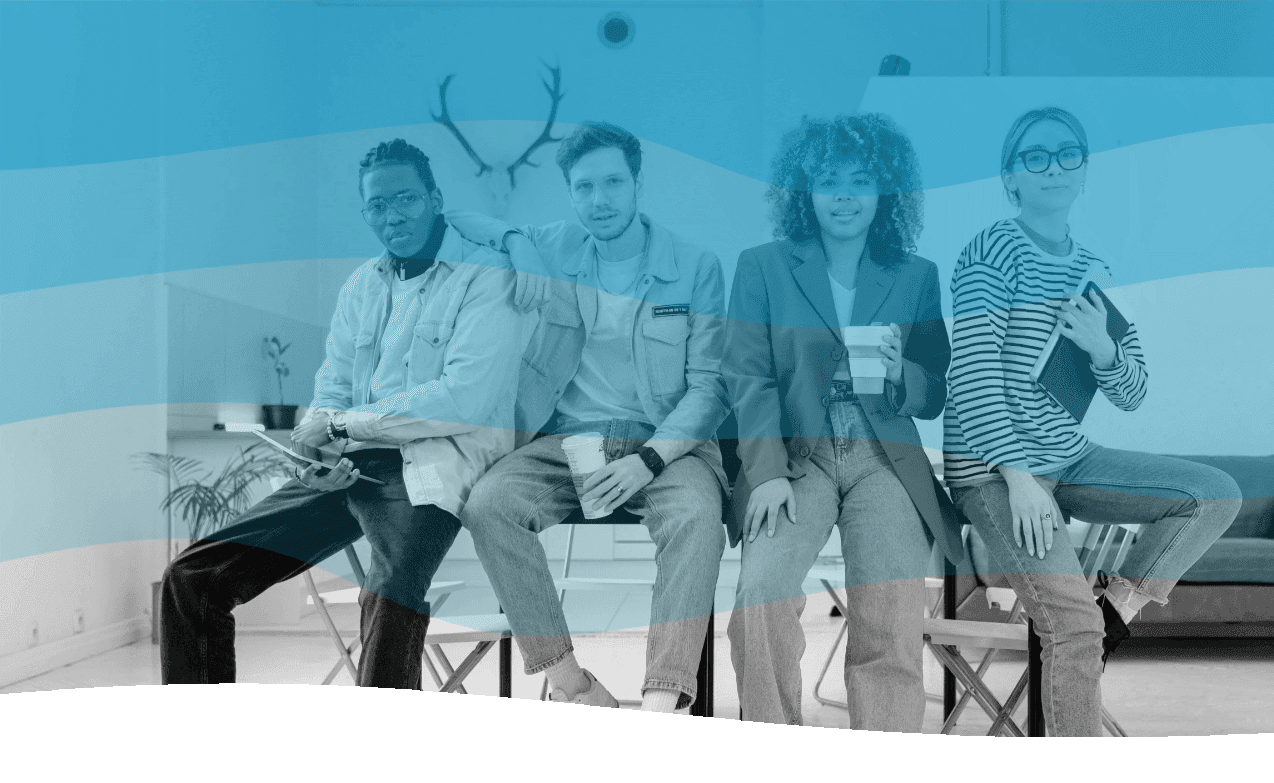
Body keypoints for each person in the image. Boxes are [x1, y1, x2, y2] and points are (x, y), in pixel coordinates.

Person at [160, 139, 534, 688]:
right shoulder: (361, 286)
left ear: (435, 199)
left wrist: (340, 425)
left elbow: (463, 399)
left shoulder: (486, 277)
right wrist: (314, 442)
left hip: (428, 469)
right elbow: (333, 385)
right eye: (377, 206)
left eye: (405, 199)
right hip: (345, 468)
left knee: (389, 592)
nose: (391, 215)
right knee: (192, 577)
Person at [943, 107, 1242, 735]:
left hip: (1070, 455)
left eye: (1067, 154)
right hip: (994, 470)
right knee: (1070, 625)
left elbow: (1132, 391)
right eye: (1034, 157)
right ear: (1010, 179)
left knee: (1214, 493)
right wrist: (1018, 474)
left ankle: (1119, 606)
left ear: (1084, 173)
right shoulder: (991, 252)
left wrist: (1102, 348)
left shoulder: (1095, 269)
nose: (1053, 167)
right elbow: (969, 380)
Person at [452, 122, 728, 713]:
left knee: (698, 516)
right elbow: (460, 220)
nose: (599, 201)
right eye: (584, 187)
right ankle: (571, 683)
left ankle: (662, 698)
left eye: (612, 183)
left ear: (636, 185)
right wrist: (518, 241)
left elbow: (708, 390)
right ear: (570, 193)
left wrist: (649, 461)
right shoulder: (555, 246)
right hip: (565, 443)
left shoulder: (695, 266)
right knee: (488, 504)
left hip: (665, 446)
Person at [724, 114, 964, 731]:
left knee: (890, 613)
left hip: (883, 455)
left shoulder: (917, 275)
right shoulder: (761, 267)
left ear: (886, 191)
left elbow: (934, 389)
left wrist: (898, 373)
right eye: (828, 181)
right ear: (803, 189)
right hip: (793, 456)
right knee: (761, 594)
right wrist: (768, 474)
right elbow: (747, 378)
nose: (845, 196)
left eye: (862, 180)